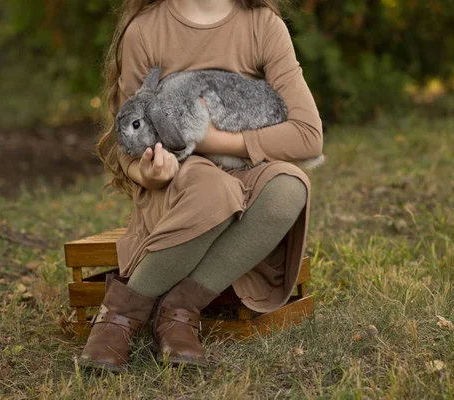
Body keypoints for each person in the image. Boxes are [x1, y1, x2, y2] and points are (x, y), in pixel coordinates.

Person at [80, 0, 323, 372]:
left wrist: (209, 139)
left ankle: (179, 311)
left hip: (241, 166)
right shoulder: (146, 30)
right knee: (213, 189)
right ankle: (117, 319)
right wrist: (148, 174)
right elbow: (128, 143)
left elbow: (308, 137)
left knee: (290, 186)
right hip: (178, 180)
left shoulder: (263, 25)